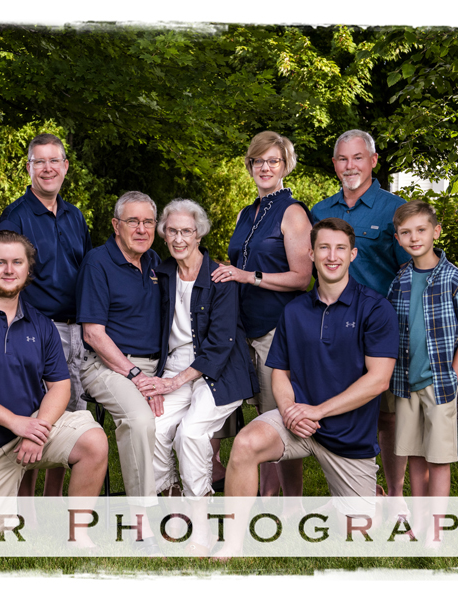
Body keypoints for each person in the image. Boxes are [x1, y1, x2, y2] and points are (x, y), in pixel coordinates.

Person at [213, 218, 399, 558]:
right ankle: (232, 544)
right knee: (245, 444)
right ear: (311, 253)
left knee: (358, 541)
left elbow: (379, 379)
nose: (332, 256)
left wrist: (318, 411)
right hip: (297, 423)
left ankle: (367, 497)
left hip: (349, 438)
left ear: (353, 254)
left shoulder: (375, 308)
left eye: (340, 248)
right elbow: (279, 372)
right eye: (324, 247)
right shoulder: (295, 310)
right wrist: (288, 410)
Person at [0, 230, 108, 511]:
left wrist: (35, 430)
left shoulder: (41, 324)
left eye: (17, 262)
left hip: (33, 432)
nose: (8, 270)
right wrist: (15, 422)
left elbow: (60, 386)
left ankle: (78, 535)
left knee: (94, 440)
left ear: (28, 270)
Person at [134, 199, 258, 555]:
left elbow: (220, 346)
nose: (178, 238)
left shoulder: (220, 277)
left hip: (219, 371)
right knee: (154, 429)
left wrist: (173, 383)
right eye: (171, 230)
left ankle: (202, 528)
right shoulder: (162, 273)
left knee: (191, 432)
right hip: (174, 366)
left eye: (186, 231)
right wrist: (164, 378)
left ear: (199, 232)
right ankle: (175, 508)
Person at [210, 131, 313, 497]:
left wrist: (246, 275)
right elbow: (239, 264)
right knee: (243, 410)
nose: (265, 167)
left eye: (274, 161)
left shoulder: (294, 212)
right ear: (249, 165)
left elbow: (302, 278)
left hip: (277, 328)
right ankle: (253, 488)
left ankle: (290, 501)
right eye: (259, 161)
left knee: (280, 414)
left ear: (285, 166)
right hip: (241, 327)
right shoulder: (246, 212)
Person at [311, 129, 409, 497]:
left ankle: (395, 491)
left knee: (387, 414)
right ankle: (358, 486)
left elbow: (408, 272)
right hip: (334, 326)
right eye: (342, 159)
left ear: (373, 161)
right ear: (334, 164)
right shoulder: (321, 211)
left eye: (357, 158)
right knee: (344, 406)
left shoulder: (393, 209)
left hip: (379, 328)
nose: (349, 166)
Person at [0, 133, 93, 498]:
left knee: (70, 417)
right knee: (37, 413)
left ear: (65, 166)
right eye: (40, 162)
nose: (48, 168)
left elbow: (84, 272)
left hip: (76, 329)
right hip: (36, 328)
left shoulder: (74, 216)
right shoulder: (16, 216)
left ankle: (54, 500)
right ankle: (25, 506)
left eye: (55, 161)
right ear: (29, 168)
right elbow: (4, 278)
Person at [387, 200, 458, 501]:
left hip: (440, 384)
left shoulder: (457, 280)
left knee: (438, 459)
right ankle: (419, 520)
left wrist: (452, 377)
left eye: (421, 230)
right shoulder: (399, 280)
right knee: (414, 455)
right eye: (406, 232)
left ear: (436, 232)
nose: (414, 238)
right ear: (398, 239)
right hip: (405, 383)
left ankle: (436, 529)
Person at [76, 192, 161, 508]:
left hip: (153, 368)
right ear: (116, 225)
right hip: (108, 365)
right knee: (139, 421)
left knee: (190, 418)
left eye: (148, 222)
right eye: (133, 221)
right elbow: (94, 334)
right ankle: (143, 520)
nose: (141, 229)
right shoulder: (98, 262)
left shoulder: (154, 262)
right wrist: (136, 374)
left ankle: (181, 497)